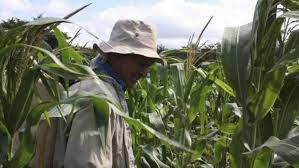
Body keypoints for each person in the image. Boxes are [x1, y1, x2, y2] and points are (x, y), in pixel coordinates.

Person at [33, 19, 161, 168]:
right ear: (115, 56)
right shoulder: (97, 100)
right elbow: (86, 163)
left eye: (148, 66)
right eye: (141, 63)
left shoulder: (104, 92)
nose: (145, 73)